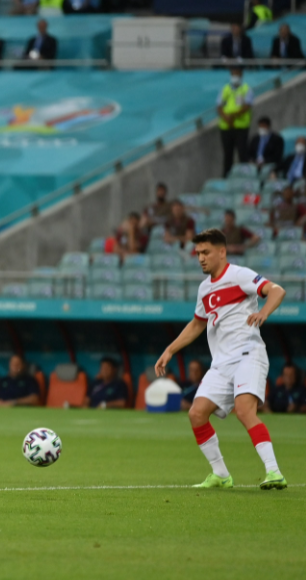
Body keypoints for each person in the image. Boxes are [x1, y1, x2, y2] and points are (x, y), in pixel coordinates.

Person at [155, 228, 287, 490]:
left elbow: (277, 290)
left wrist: (264, 313)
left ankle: (274, 472)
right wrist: (170, 349)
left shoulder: (239, 275)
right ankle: (221, 475)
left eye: (206, 252)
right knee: (196, 414)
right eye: (198, 254)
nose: (201, 258)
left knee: (244, 410)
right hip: (222, 363)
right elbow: (197, 324)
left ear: (222, 252)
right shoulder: (205, 288)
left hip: (248, 353)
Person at [217, 67, 253, 178]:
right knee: (228, 155)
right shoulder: (226, 89)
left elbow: (246, 106)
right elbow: (219, 106)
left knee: (242, 153)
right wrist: (226, 117)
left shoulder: (246, 89)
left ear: (241, 75)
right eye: (233, 75)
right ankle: (226, 177)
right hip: (226, 127)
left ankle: (245, 177)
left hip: (241, 127)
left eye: (237, 75)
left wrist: (232, 116)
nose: (235, 77)